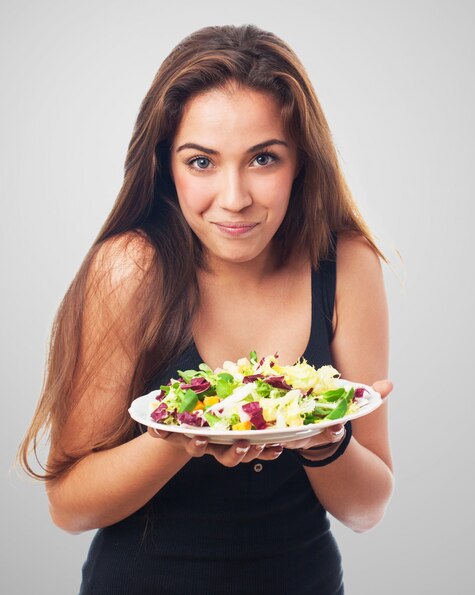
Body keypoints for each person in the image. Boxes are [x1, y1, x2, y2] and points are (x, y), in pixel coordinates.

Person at [19, 24, 393, 595]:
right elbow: (70, 507)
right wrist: (175, 440)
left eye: (264, 158)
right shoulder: (131, 268)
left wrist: (328, 441)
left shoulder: (346, 263)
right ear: (166, 165)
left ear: (301, 163)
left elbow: (367, 511)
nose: (235, 197)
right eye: (201, 162)